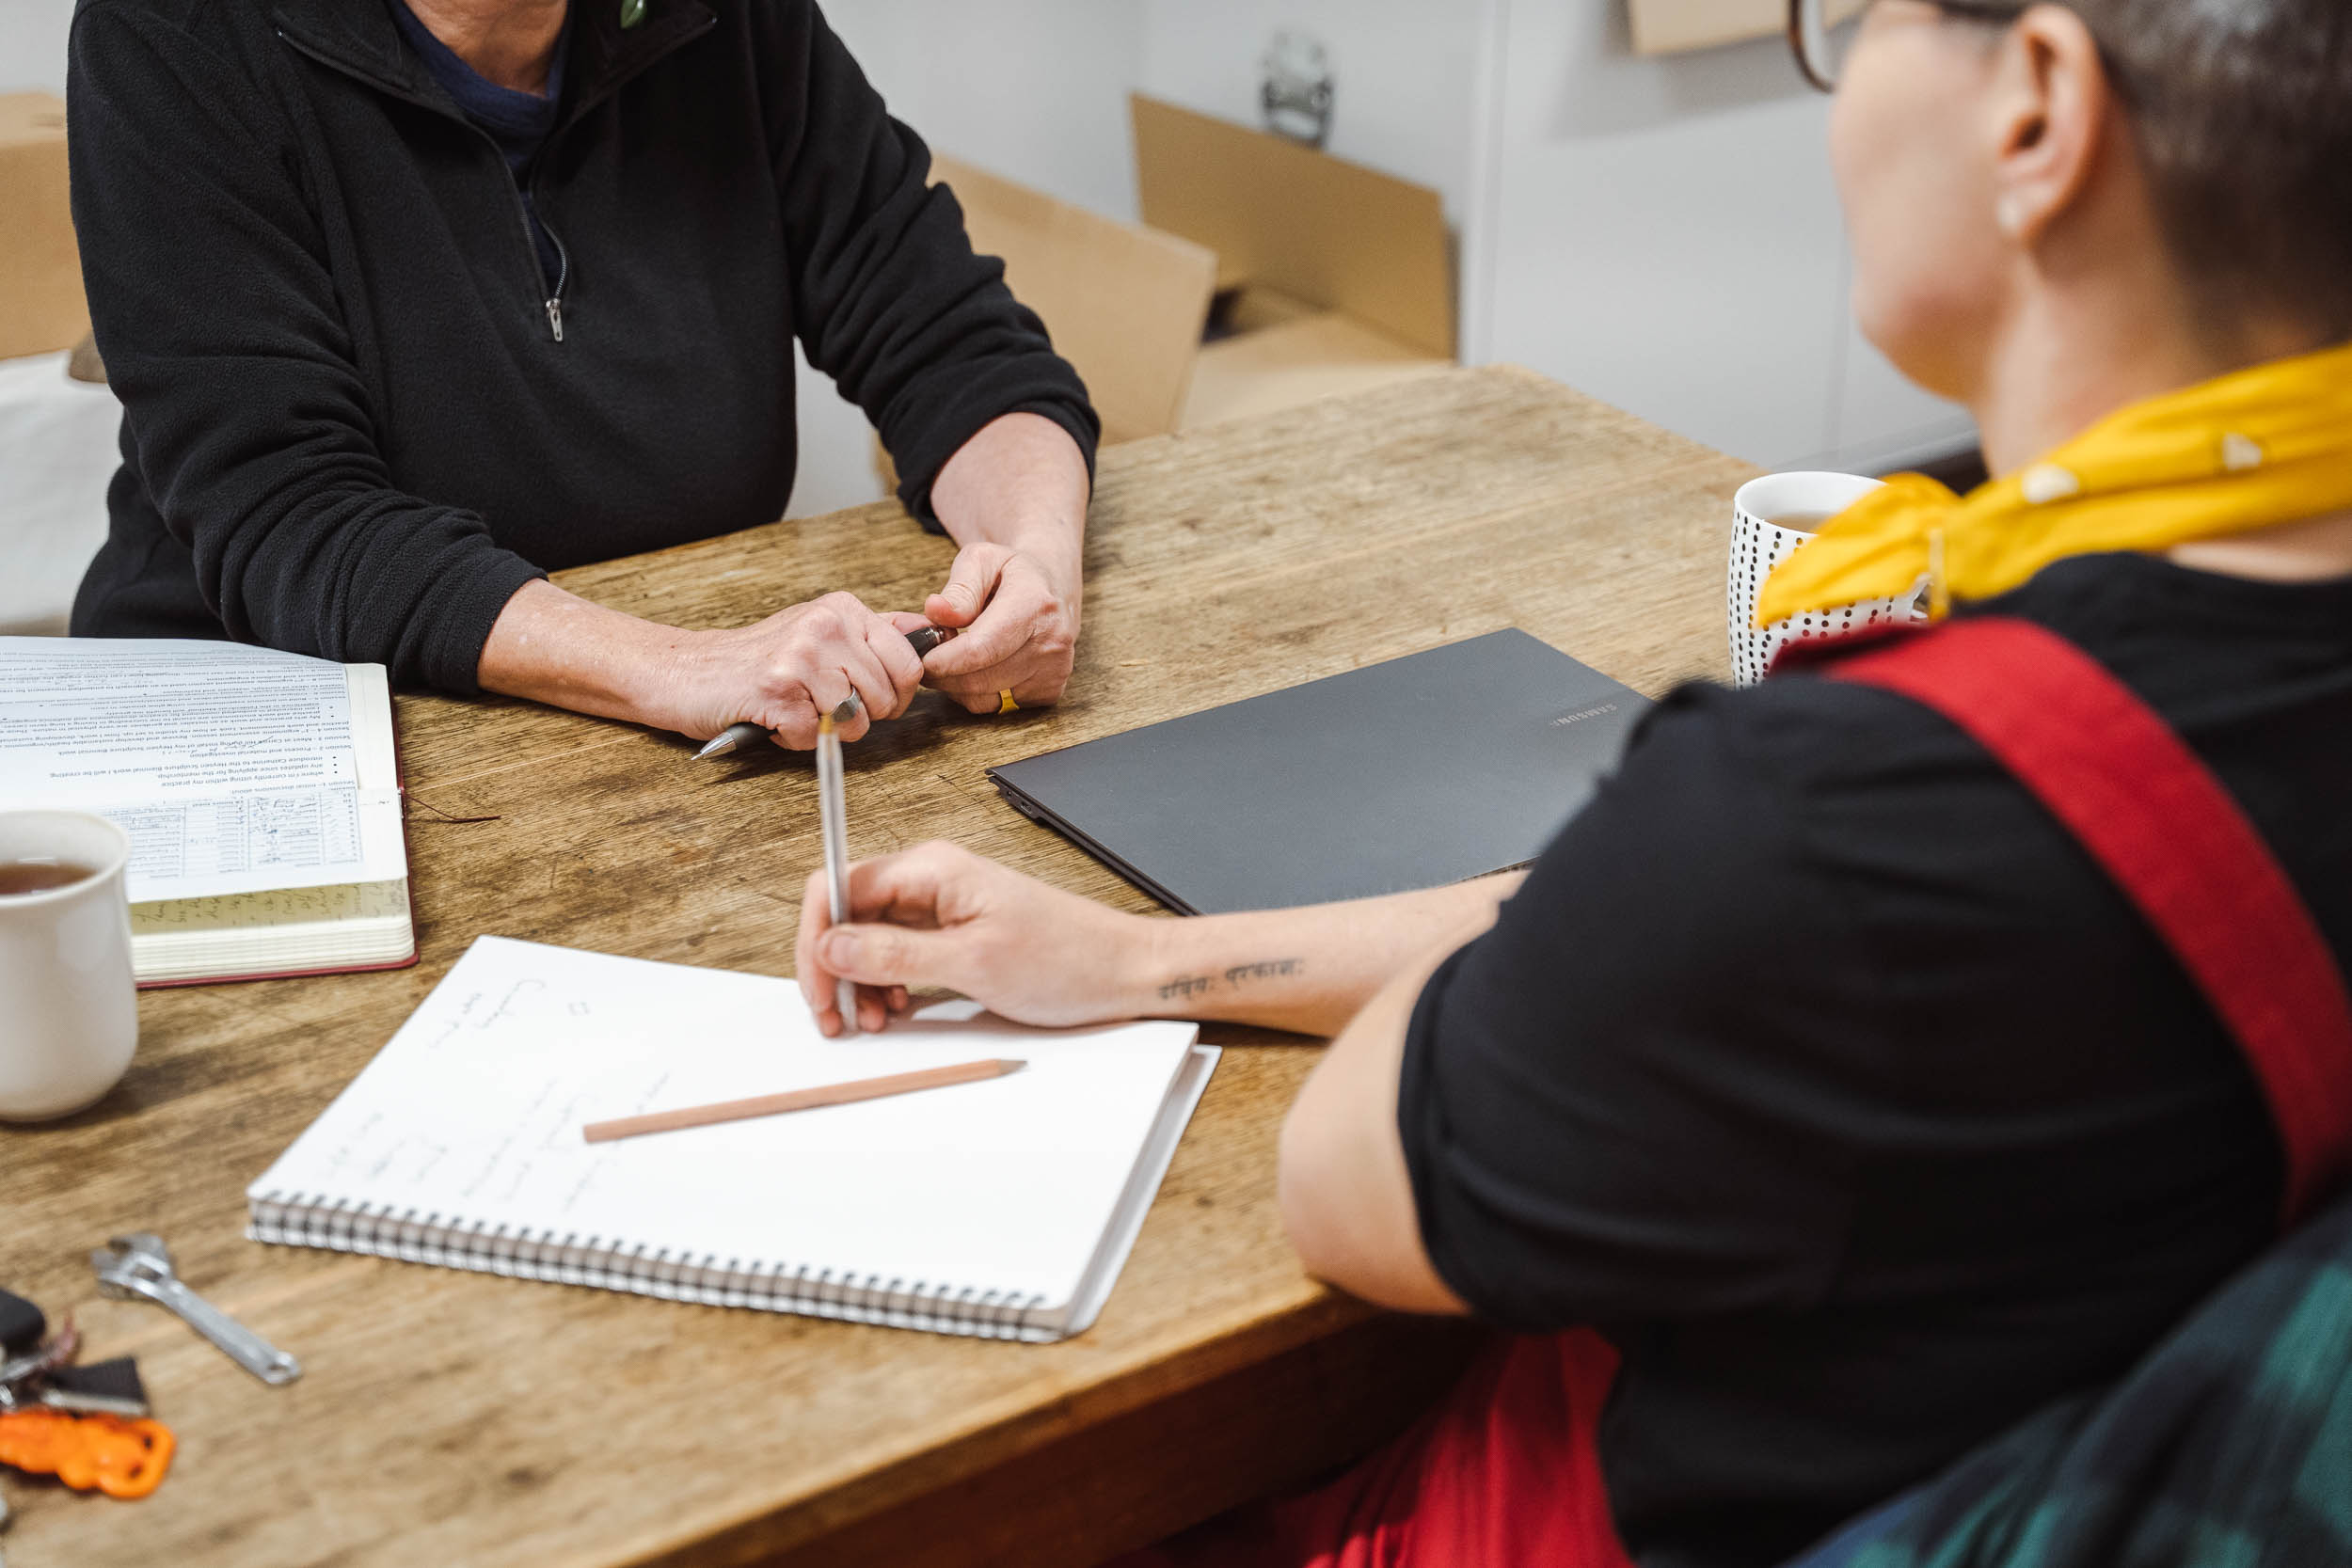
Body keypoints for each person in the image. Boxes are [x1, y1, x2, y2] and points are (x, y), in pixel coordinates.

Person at [790, 0, 2352, 1562]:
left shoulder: (1846, 809)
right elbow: (1650, 946)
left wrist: (1677, 831)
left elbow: (1345, 1176)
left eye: (1857, 18)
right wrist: (1146, 961)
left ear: (2037, 111)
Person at [65, 0, 1095, 750]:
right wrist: (682, 668)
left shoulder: (730, 20)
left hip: (636, 737)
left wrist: (1035, 566)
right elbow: (291, 515)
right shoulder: (174, 32)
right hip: (259, 714)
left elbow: (956, 343)